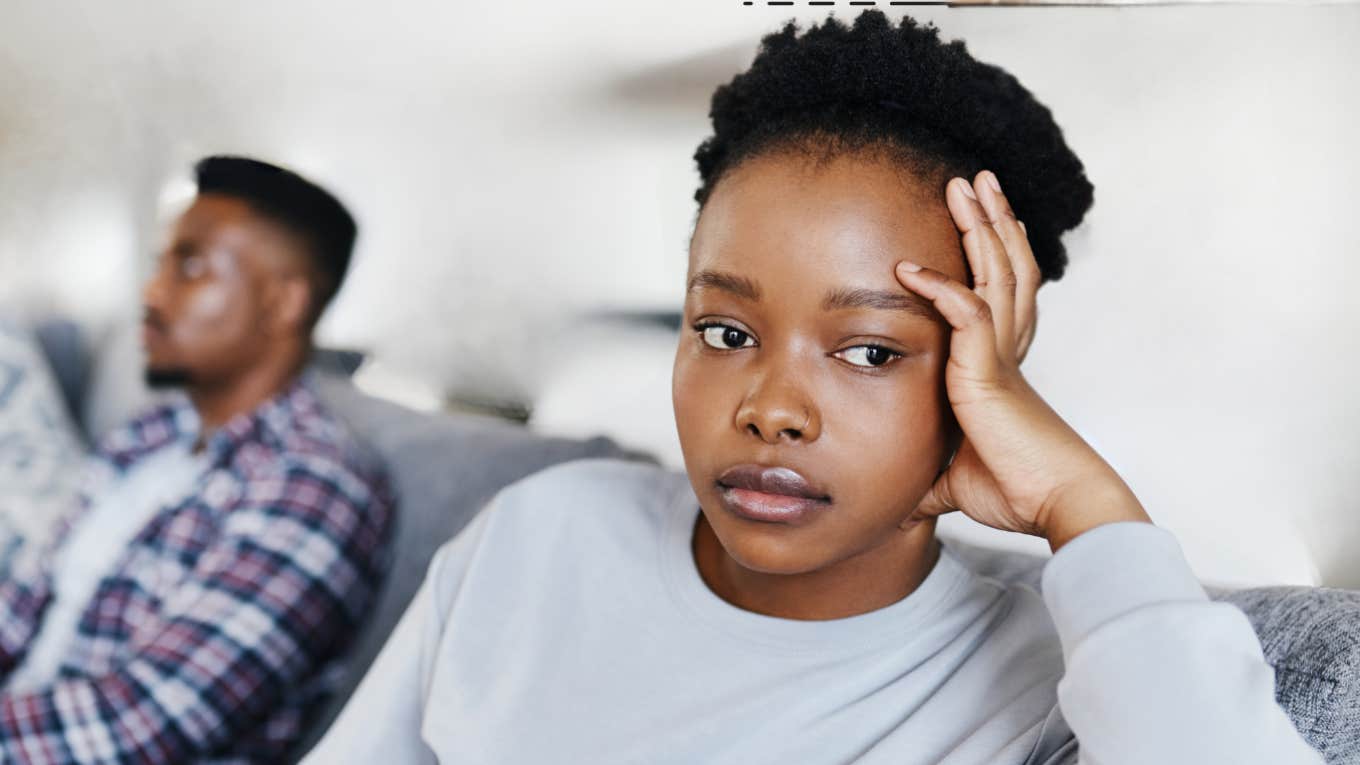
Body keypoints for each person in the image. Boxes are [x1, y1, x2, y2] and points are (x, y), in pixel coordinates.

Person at [303, 11, 1322, 764]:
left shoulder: (1053, 680)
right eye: (725, 329)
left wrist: (1081, 505)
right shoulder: (539, 532)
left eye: (871, 350)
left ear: (984, 376)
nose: (771, 407)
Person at [0, 156, 396, 763]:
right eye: (161, 263)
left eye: (191, 266)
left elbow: (139, 726)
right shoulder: (151, 436)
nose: (153, 293)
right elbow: (18, 612)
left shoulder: (316, 484)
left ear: (284, 303)